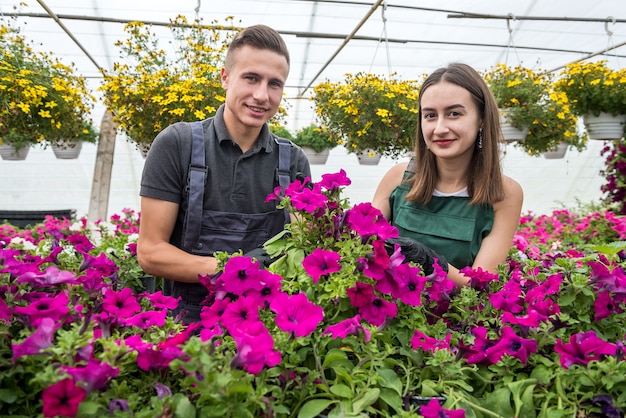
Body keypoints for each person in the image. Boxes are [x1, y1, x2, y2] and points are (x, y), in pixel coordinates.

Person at [137, 24, 311, 323]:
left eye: (274, 84)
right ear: (225, 77)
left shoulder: (293, 160)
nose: (262, 95)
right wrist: (236, 270)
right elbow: (151, 252)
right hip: (188, 321)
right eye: (251, 78)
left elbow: (301, 248)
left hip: (265, 324)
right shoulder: (177, 144)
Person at [372, 62, 523, 286]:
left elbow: (480, 286)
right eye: (430, 115)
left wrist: (431, 262)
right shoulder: (399, 177)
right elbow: (362, 242)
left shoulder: (504, 194)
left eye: (454, 113)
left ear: (481, 118)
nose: (440, 128)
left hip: (454, 319)